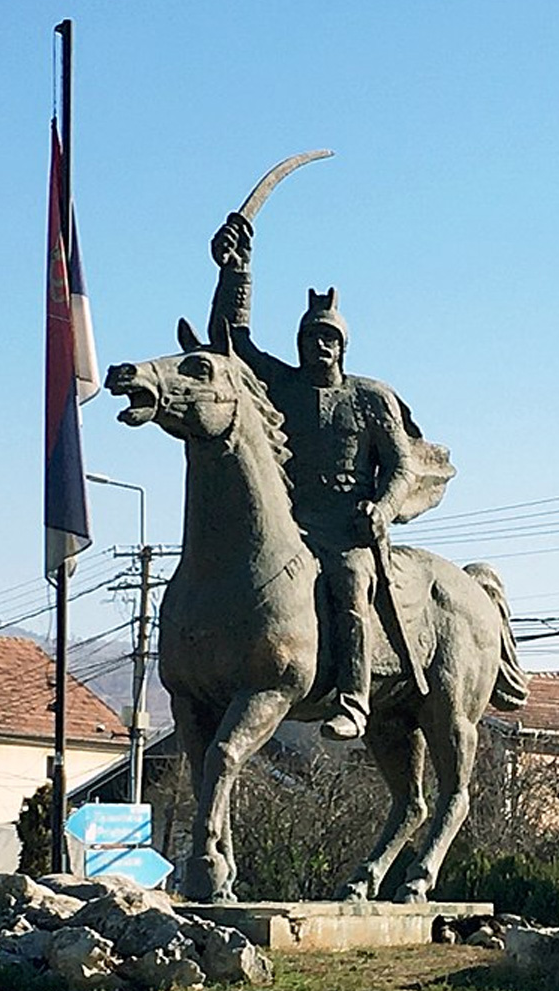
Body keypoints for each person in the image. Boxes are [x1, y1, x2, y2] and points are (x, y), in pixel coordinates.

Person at [207, 213, 449, 740]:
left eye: (328, 338)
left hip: (348, 529)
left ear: (342, 347)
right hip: (293, 525)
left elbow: (401, 464)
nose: (318, 346)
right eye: (310, 337)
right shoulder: (283, 386)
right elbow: (232, 343)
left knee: (349, 582)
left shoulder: (370, 397)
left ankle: (354, 699)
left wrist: (382, 508)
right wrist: (235, 271)